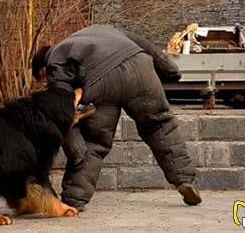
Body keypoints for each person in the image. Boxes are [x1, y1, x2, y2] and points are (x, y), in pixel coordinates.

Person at [31, 24, 202, 212]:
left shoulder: (56, 59)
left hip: (100, 84)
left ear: (42, 70)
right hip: (140, 68)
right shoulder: (99, 30)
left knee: (94, 143)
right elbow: (143, 42)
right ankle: (184, 180)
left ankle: (74, 199)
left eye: (44, 80)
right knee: (160, 126)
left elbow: (61, 112)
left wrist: (77, 151)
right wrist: (169, 68)